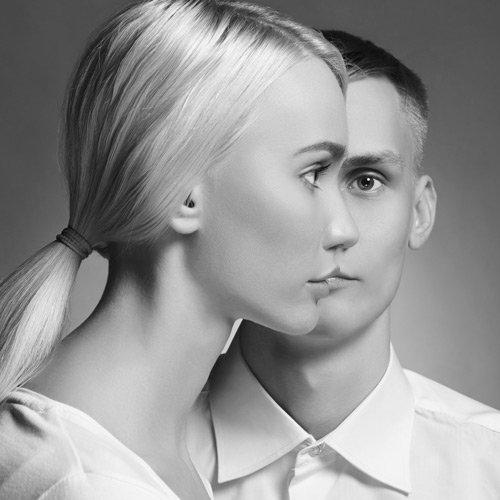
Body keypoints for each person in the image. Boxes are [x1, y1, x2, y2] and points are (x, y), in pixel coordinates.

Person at [0, 3, 349, 498]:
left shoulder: (127, 454)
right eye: (313, 173)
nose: (345, 229)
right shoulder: (93, 484)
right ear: (183, 194)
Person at [188, 30, 500, 499]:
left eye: (367, 181)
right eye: (306, 175)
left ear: (419, 213)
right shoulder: (110, 456)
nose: (338, 228)